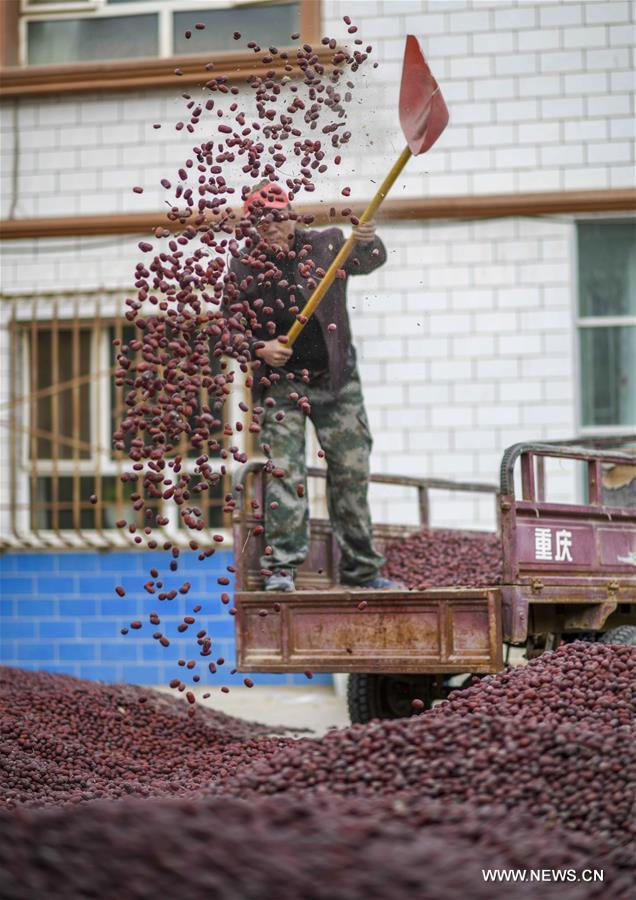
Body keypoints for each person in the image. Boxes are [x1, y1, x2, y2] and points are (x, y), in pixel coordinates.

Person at [226, 181, 402, 592]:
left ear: (291, 215)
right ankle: (282, 570)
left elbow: (367, 261)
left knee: (351, 472)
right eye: (259, 222)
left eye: (275, 218)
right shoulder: (243, 268)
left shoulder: (326, 244)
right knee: (284, 473)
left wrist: (368, 241)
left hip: (336, 382)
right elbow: (226, 331)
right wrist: (260, 348)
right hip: (281, 385)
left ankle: (361, 570)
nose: (269, 227)